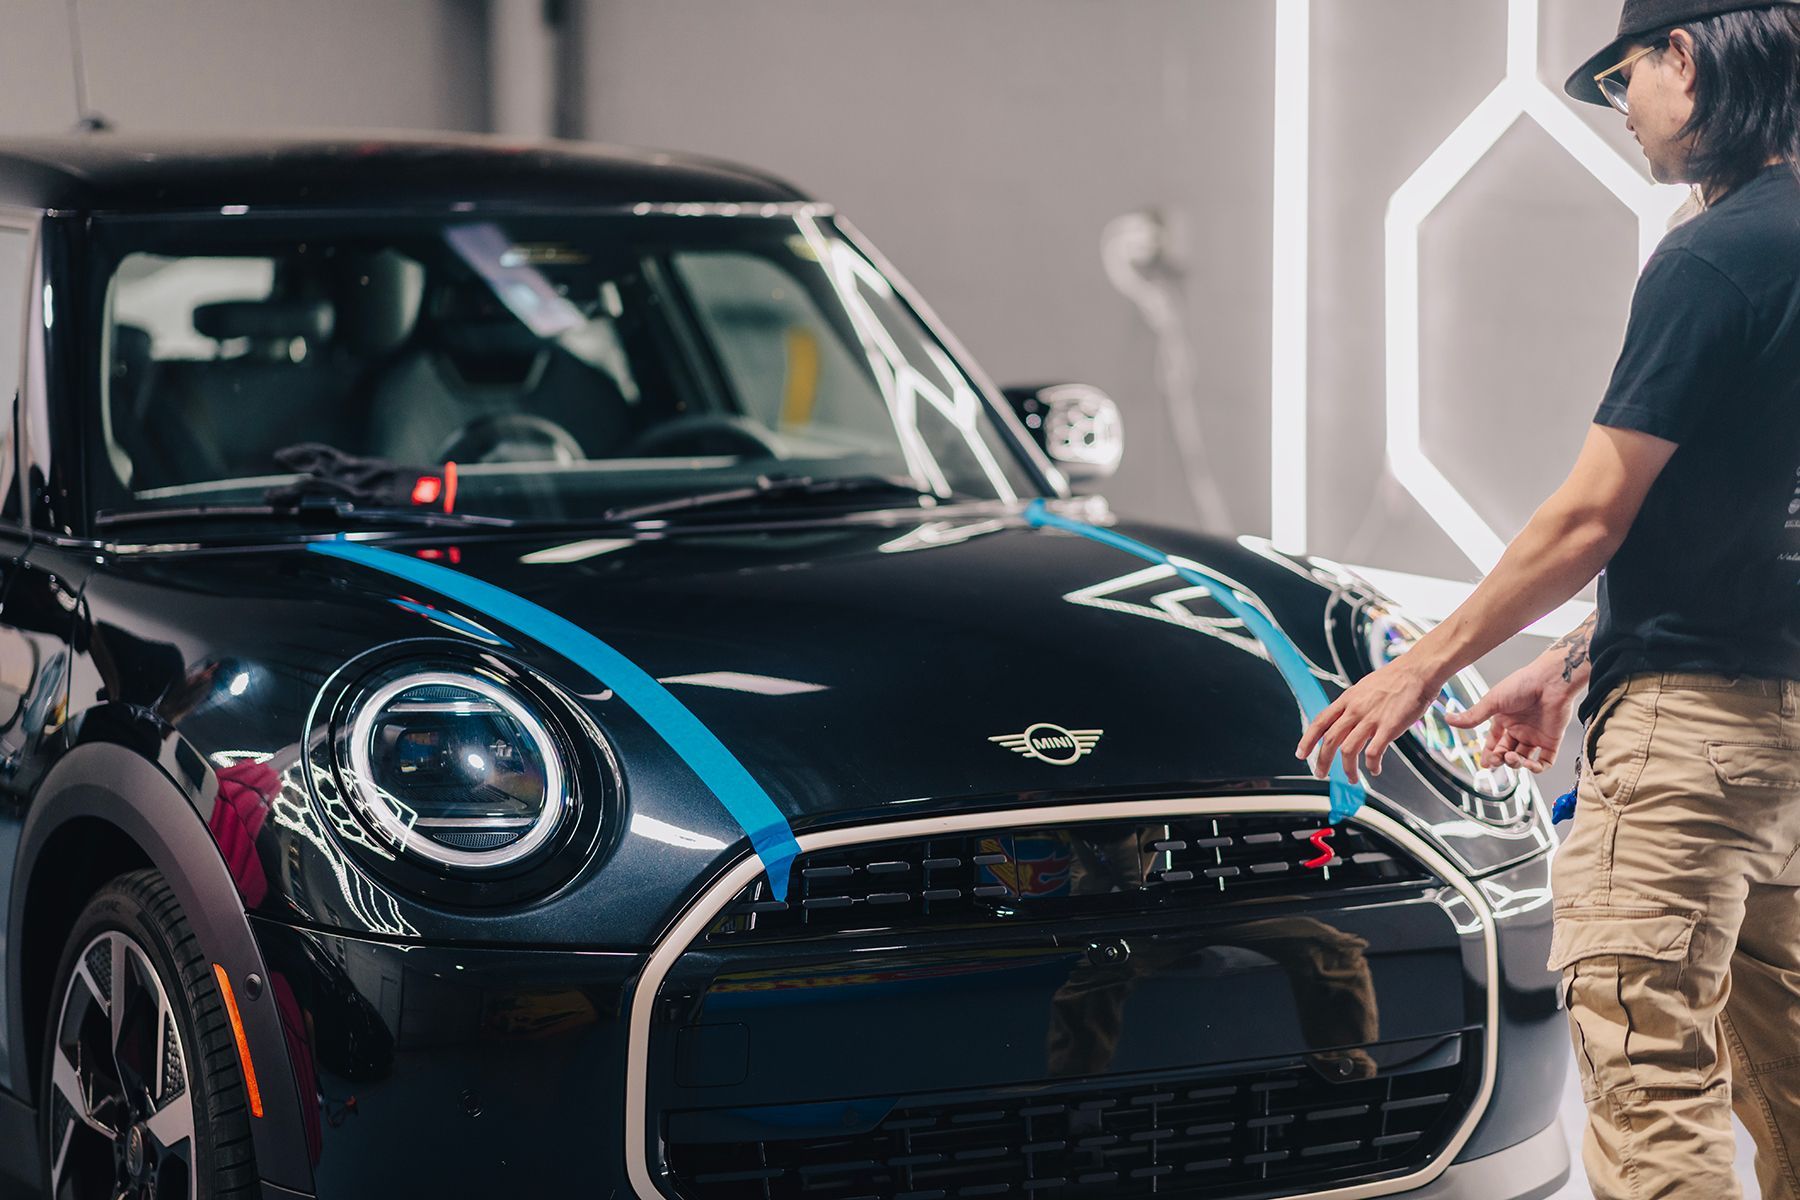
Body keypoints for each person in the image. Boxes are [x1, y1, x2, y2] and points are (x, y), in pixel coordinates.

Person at [1294, 3, 1800, 1197]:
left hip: (1695, 756)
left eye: (1622, 77)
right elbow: (1755, 521)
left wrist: (1420, 665)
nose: (1620, 110)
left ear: (1686, 56)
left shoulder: (1715, 255)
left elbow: (1589, 514)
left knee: (1651, 1081)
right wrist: (1575, 660)